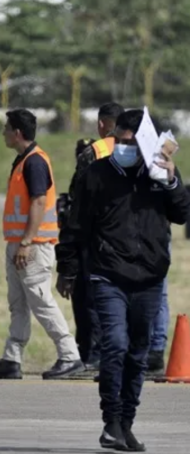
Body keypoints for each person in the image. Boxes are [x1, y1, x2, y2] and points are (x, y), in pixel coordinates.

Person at [56, 109, 190, 451]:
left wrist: (172, 180)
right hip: (107, 273)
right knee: (114, 344)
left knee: (137, 353)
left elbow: (182, 213)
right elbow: (76, 225)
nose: (122, 146)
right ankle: (110, 421)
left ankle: (125, 423)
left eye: (130, 141)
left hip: (149, 276)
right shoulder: (96, 174)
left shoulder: (159, 173)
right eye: (118, 140)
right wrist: (68, 269)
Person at [0, 110, 83, 381]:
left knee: (41, 302)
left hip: (32, 247)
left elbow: (38, 202)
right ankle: (12, 359)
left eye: (6, 128)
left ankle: (70, 356)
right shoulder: (23, 160)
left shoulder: (35, 162)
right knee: (18, 303)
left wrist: (26, 242)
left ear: (18, 133)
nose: (3, 132)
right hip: (20, 245)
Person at [66, 102, 124, 374]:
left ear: (102, 124)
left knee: (91, 297)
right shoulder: (140, 151)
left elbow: (79, 197)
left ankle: (93, 353)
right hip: (127, 236)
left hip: (95, 235)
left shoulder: (94, 151)